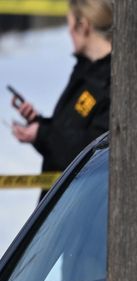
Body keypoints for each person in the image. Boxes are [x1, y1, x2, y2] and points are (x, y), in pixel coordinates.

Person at [11, 0, 112, 184]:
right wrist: (38, 123)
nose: (68, 31)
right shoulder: (85, 71)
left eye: (70, 24)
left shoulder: (113, 79)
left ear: (84, 26)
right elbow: (70, 132)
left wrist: (42, 134)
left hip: (83, 203)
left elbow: (93, 153)